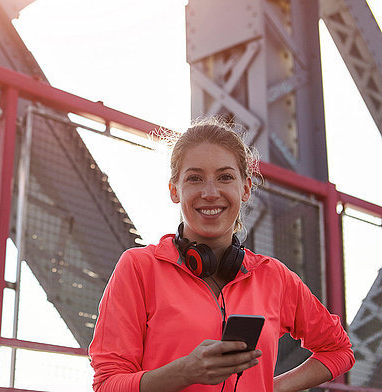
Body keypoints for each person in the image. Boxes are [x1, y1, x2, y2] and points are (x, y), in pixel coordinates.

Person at [88, 118, 354, 392]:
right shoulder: (139, 268)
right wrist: (185, 371)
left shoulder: (274, 277)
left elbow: (339, 351)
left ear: (246, 189)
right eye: (194, 178)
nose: (210, 192)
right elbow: (108, 385)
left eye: (225, 177)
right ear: (174, 190)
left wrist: (269, 389)